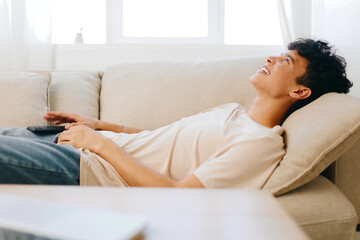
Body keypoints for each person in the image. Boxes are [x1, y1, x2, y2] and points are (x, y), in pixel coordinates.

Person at [0, 38, 353, 188]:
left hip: (86, 165)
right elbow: (166, 141)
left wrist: (98, 144)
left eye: (286, 60)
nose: (272, 59)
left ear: (300, 91)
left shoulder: (260, 145)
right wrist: (100, 126)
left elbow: (179, 194)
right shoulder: (234, 113)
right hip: (79, 144)